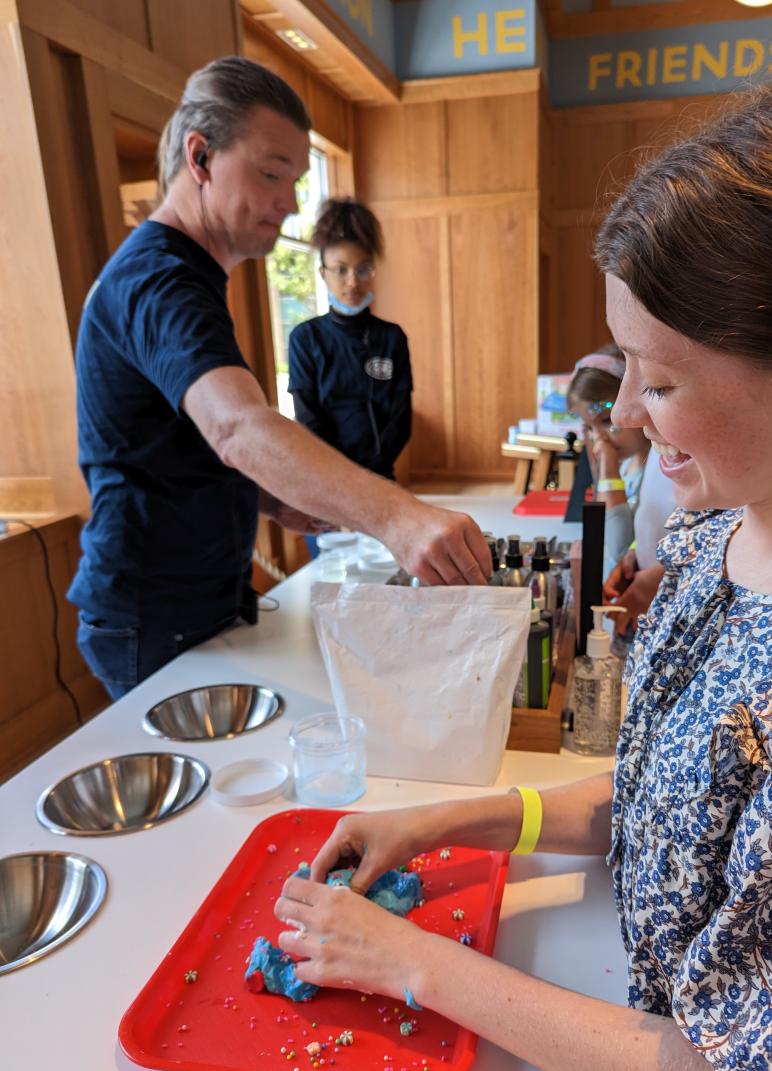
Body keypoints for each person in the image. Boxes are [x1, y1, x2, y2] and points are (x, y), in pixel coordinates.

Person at [272, 73, 772, 1071]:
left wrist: (413, 965)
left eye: (661, 382)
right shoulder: (722, 544)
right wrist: (460, 818)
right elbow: (677, 808)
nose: (621, 421)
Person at [69, 57, 489, 698]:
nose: (288, 203)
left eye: (294, 180)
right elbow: (236, 427)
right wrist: (400, 519)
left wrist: (272, 498)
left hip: (199, 596)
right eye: (271, 174)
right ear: (201, 157)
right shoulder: (160, 279)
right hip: (153, 610)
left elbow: (178, 446)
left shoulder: (193, 279)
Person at [289, 199, 412, 481]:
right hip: (326, 478)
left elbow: (401, 418)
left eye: (363, 269)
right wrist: (342, 475)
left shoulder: (392, 337)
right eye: (341, 270)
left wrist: (372, 471)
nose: (353, 282)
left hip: (381, 477)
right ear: (323, 273)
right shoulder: (305, 340)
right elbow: (308, 419)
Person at [567, 345, 675, 582]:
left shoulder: (661, 471)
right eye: (589, 428)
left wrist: (608, 468)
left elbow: (618, 547)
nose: (600, 438)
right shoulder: (628, 467)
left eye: (606, 421)